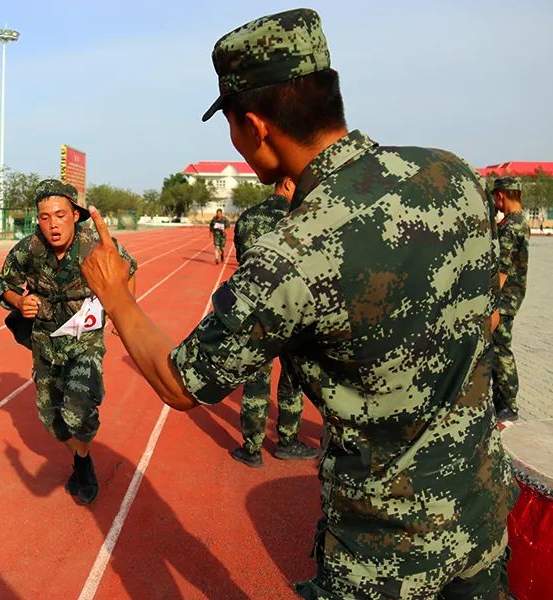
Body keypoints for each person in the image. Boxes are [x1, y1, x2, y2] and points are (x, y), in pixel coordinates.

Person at [80, 8, 517, 598]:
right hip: (483, 514)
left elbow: (181, 384)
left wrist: (117, 296)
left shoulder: (291, 253)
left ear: (254, 126)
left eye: (231, 126)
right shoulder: (450, 172)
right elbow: (487, 312)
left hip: (383, 554)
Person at [0, 179, 137, 505]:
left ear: (75, 214)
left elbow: (130, 268)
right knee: (52, 420)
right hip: (45, 342)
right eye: (44, 217)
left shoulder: (95, 245)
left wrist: (123, 312)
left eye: (60, 215)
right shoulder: (28, 250)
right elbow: (3, 286)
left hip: (85, 340)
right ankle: (80, 457)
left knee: (78, 411)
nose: (52, 224)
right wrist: (19, 302)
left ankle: (84, 462)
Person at [231, 176, 317, 467]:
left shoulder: (247, 218)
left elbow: (242, 262)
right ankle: (288, 441)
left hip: (256, 312)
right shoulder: (300, 218)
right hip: (293, 312)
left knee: (256, 379)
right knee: (292, 380)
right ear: (290, 184)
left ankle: (252, 448)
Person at [491, 176, 529, 422]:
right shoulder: (519, 221)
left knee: (500, 350)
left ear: (501, 195)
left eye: (496, 197)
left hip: (504, 299)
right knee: (498, 348)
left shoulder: (511, 226)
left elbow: (502, 270)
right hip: (512, 296)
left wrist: (491, 304)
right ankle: (502, 402)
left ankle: (508, 405)